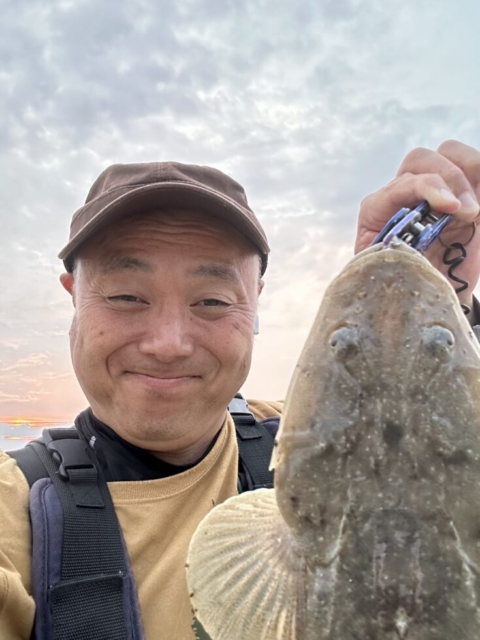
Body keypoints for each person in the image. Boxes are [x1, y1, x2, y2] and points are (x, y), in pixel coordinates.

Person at [0, 140, 479, 640]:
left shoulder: (294, 426)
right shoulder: (12, 507)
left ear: (255, 305)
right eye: (126, 296)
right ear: (74, 299)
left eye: (211, 300)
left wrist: (427, 298)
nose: (168, 344)